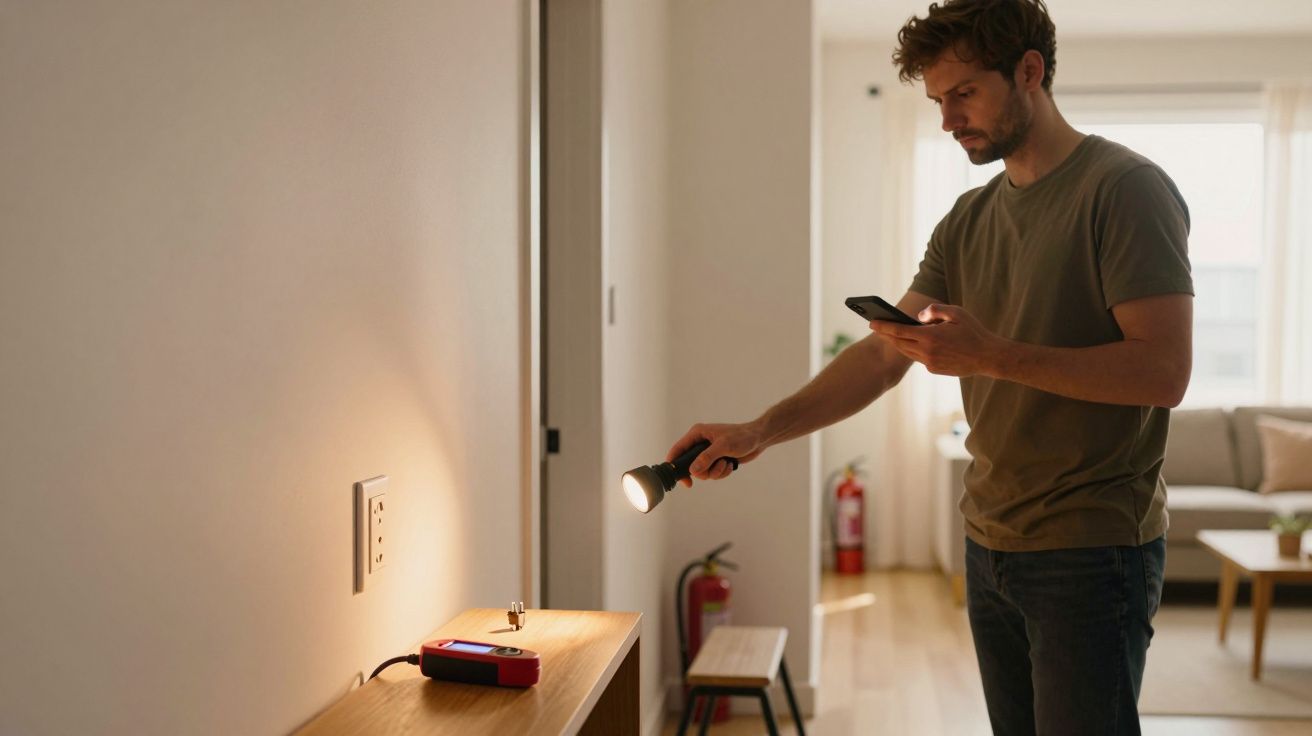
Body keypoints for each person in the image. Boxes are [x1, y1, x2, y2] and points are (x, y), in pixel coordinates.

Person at [663, 1, 1193, 733]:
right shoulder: (967, 219)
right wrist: (759, 432)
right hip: (990, 538)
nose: (948, 120)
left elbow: (1163, 372)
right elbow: (885, 353)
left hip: (1091, 547)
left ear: (1030, 72)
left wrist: (992, 355)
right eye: (938, 101)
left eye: (964, 93)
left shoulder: (1125, 190)